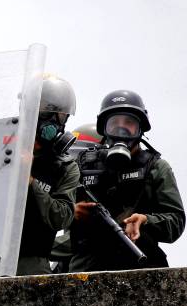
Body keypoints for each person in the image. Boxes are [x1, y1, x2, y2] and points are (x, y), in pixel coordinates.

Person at [70, 90, 184, 271]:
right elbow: (54, 213)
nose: (120, 129)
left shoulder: (156, 167)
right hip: (87, 266)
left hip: (141, 264)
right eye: (114, 123)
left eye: (129, 123)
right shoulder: (82, 165)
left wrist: (145, 220)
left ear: (140, 129)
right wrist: (72, 212)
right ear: (104, 129)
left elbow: (176, 221)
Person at [16, 75, 80, 275]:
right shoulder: (0, 149)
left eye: (60, 114)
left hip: (31, 262)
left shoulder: (65, 167)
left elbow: (63, 217)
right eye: (46, 110)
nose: (54, 119)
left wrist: (31, 182)